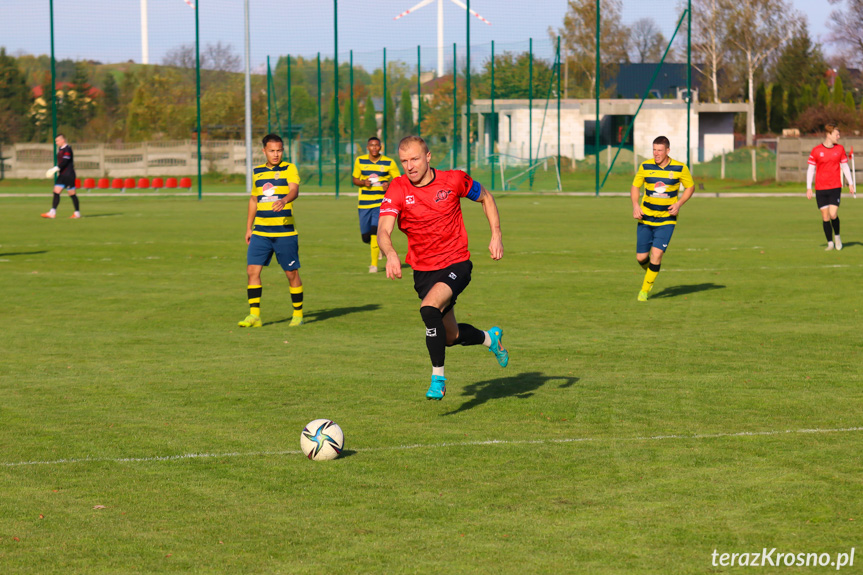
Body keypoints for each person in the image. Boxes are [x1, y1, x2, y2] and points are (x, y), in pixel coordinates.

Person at [377, 135, 509, 401]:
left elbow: (486, 197)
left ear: (428, 157)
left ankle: (438, 377)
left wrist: (496, 234)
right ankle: (489, 339)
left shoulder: (454, 180)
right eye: (404, 161)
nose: (409, 166)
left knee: (428, 309)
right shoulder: (398, 188)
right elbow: (383, 229)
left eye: (414, 159)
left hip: (456, 262)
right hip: (423, 271)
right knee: (450, 335)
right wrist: (390, 253)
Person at [238, 134, 304, 328]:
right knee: (252, 271)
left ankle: (298, 314)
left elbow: (294, 190)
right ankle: (254, 316)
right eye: (272, 151)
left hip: (284, 232)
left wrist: (284, 200)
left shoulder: (289, 168)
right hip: (261, 232)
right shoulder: (257, 171)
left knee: (291, 273)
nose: (276, 154)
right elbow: (253, 200)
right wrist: (249, 228)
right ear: (264, 151)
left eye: (279, 150)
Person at [630, 135, 695, 301]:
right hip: (645, 218)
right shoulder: (645, 166)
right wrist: (635, 205)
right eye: (654, 150)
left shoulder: (680, 168)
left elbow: (690, 187)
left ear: (667, 151)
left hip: (666, 220)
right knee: (641, 258)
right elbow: (635, 186)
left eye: (659, 150)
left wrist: (679, 204)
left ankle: (644, 291)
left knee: (656, 255)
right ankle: (652, 273)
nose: (656, 153)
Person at [351, 136, 401, 273]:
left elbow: (399, 180)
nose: (374, 148)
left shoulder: (388, 162)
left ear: (380, 147)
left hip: (381, 204)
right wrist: (363, 182)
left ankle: (373, 265)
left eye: (376, 145)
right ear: (367, 147)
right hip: (364, 204)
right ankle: (379, 246)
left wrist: (389, 185)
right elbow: (355, 179)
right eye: (371, 145)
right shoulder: (360, 161)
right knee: (365, 236)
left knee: (375, 232)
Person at [806, 123, 855, 251]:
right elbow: (811, 170)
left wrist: (850, 183)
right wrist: (808, 187)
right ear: (829, 134)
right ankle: (830, 243)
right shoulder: (816, 150)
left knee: (833, 214)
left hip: (835, 187)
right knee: (825, 217)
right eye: (836, 134)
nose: (838, 136)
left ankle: (837, 237)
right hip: (820, 188)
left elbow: (845, 167)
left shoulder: (839, 149)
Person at [41, 134, 81, 219]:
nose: (56, 142)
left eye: (58, 140)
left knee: (72, 194)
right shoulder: (60, 149)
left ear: (63, 140)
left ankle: (77, 213)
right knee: (56, 192)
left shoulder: (67, 149)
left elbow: (65, 161)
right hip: (62, 175)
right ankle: (52, 212)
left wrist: (56, 168)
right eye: (56, 141)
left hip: (69, 175)